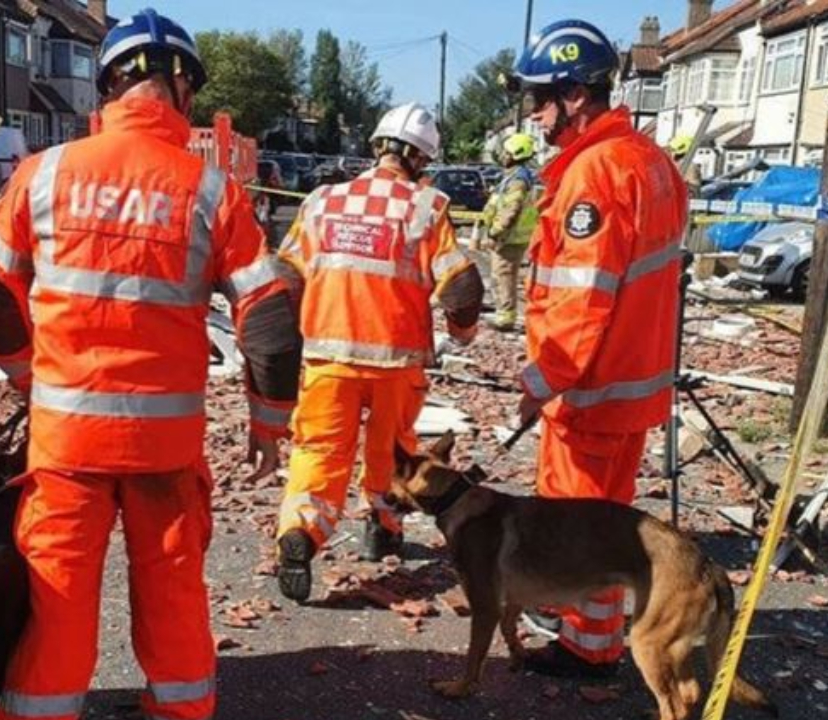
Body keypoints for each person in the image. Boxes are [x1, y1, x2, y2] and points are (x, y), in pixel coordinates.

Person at [0, 9, 302, 720]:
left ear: (108, 87)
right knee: (173, 595)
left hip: (65, 446)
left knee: (54, 599)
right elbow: (269, 322)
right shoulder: (210, 192)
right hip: (164, 452)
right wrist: (269, 423)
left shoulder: (43, 174)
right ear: (182, 88)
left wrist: (27, 376)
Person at [505, 19, 688, 678]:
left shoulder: (594, 174)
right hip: (633, 388)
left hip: (588, 393)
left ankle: (587, 651)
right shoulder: (651, 162)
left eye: (541, 97)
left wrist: (539, 380)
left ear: (576, 95)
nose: (535, 114)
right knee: (609, 529)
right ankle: (598, 640)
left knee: (574, 533)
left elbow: (581, 299)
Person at [274, 102, 484, 603]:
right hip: (396, 362)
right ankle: (383, 527)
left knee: (319, 452)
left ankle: (300, 533)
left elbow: (285, 278)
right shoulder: (427, 207)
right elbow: (463, 285)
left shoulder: (321, 200)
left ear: (376, 146)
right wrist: (463, 330)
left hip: (326, 359)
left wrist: (281, 347)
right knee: (392, 453)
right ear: (422, 158)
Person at [474, 133, 538, 331]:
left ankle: (505, 317)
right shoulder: (513, 177)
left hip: (510, 238)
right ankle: (503, 312)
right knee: (500, 274)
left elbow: (511, 209)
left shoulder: (517, 180)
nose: (502, 155)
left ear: (515, 154)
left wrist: (495, 232)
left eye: (506, 152)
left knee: (504, 275)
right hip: (510, 236)